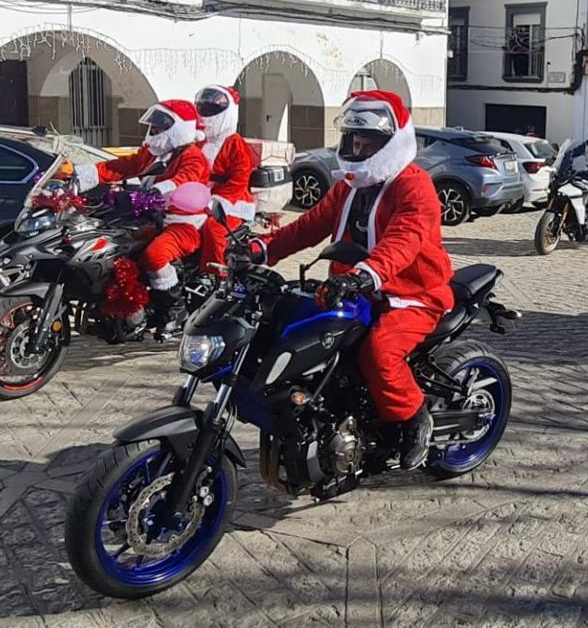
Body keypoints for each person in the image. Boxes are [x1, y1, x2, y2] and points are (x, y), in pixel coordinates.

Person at [255, 90, 453, 470]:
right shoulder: (350, 186)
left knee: (379, 352)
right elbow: (310, 225)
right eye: (354, 140)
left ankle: (415, 419)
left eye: (369, 141)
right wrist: (263, 250)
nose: (359, 147)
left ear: (391, 143)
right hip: (352, 291)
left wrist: (367, 274)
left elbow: (404, 240)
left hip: (411, 293)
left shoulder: (414, 186)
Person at [70, 100, 210, 333]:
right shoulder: (154, 152)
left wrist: (152, 193)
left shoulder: (193, 156)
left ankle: (174, 308)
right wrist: (85, 174)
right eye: (153, 125)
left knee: (155, 255)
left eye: (160, 125)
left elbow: (183, 180)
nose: (154, 130)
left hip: (183, 222)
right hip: (150, 217)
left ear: (178, 128)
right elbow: (125, 165)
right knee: (114, 242)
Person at [194, 85, 256, 272]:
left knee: (214, 229)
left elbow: (240, 178)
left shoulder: (235, 142)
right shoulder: (199, 141)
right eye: (202, 108)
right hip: (198, 196)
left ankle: (214, 272)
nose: (206, 113)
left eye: (212, 109)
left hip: (231, 200)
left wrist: (218, 202)